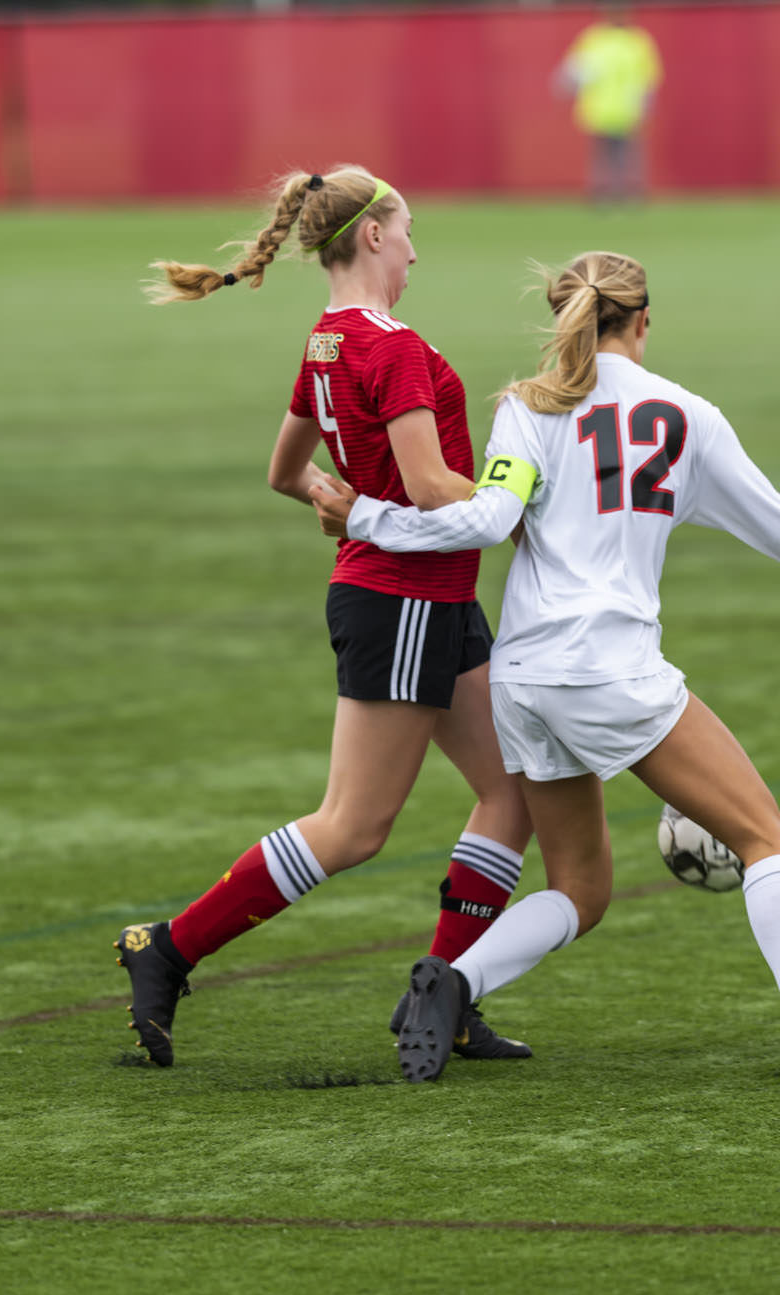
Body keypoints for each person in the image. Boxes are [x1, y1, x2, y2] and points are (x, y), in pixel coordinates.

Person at [308, 252, 780, 1083]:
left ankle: (454, 981)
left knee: (582, 888)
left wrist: (366, 514)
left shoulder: (526, 408)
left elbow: (486, 520)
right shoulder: (685, 417)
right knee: (767, 837)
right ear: (643, 321)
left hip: (522, 683)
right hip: (613, 674)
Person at [115, 166, 536, 1067]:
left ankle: (446, 994)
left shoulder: (326, 344)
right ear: (376, 234)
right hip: (405, 600)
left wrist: (338, 500)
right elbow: (430, 490)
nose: (418, 248)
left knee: (512, 790)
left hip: (428, 597)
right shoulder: (394, 347)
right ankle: (170, 946)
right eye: (411, 229)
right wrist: (524, 491)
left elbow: (283, 472)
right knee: (351, 825)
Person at [555, 5, 664, 205]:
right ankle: (602, 191)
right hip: (600, 108)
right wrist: (568, 82)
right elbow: (575, 68)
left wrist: (645, 103)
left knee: (627, 154)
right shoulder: (594, 39)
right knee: (602, 155)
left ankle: (629, 191)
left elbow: (648, 76)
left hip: (626, 109)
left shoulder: (637, 41)